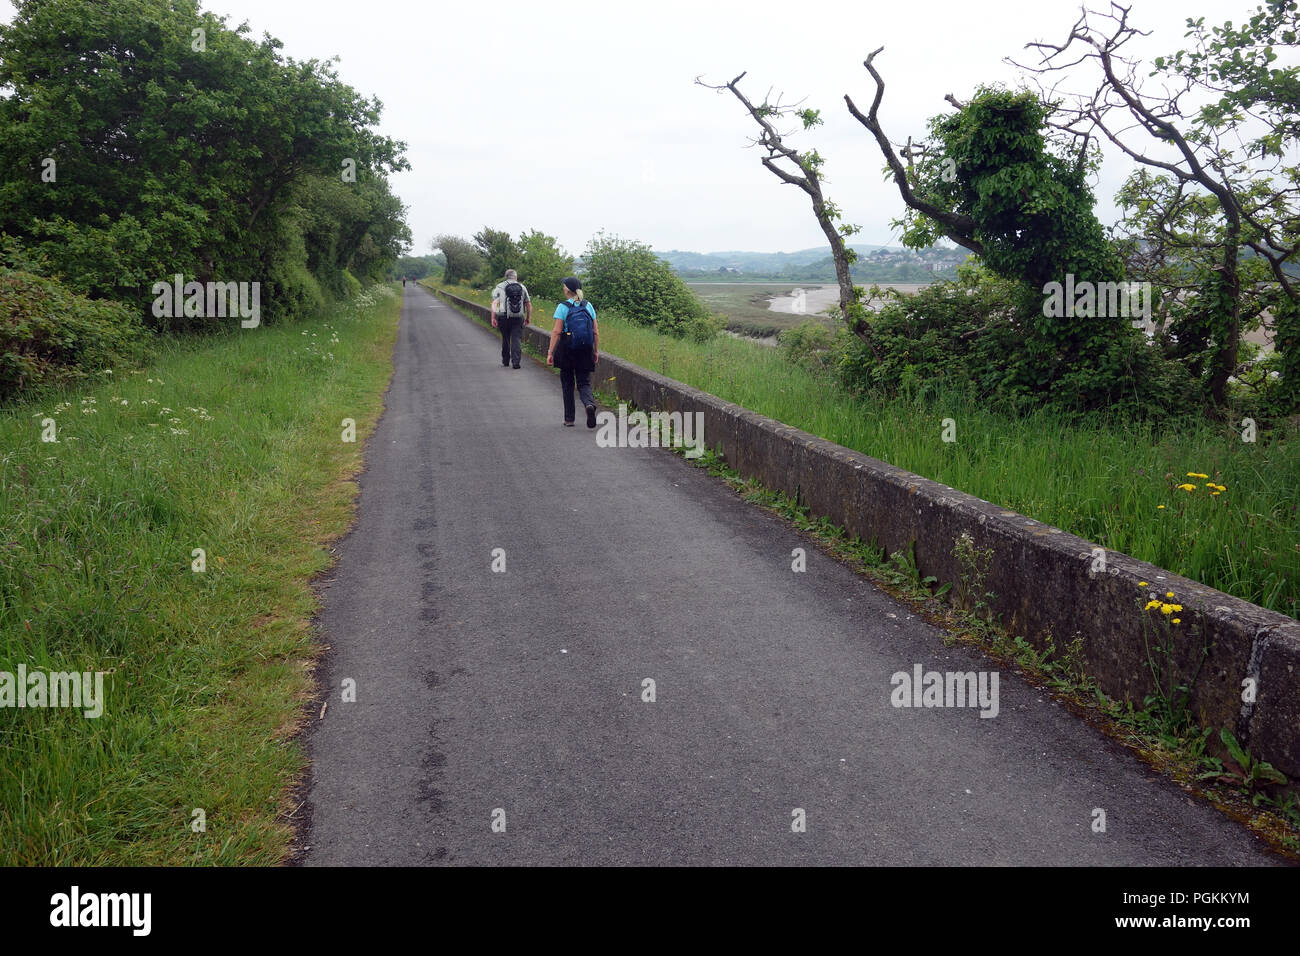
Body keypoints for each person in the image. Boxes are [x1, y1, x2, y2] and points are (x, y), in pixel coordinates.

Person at [547, 276, 599, 427]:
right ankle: (589, 404)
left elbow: (557, 332)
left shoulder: (563, 307)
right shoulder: (588, 305)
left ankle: (569, 419)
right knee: (584, 382)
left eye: (564, 287)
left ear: (567, 290)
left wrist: (550, 352)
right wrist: (595, 351)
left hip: (567, 349)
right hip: (585, 349)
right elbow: (595, 331)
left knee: (568, 383)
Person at [490, 269, 531, 369]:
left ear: (506, 277)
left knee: (505, 338)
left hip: (503, 317)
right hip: (518, 317)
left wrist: (493, 318)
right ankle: (516, 362)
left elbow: (495, 303)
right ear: (516, 277)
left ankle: (505, 360)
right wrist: (528, 318)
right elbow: (528, 304)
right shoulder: (522, 287)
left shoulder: (499, 287)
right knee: (516, 339)